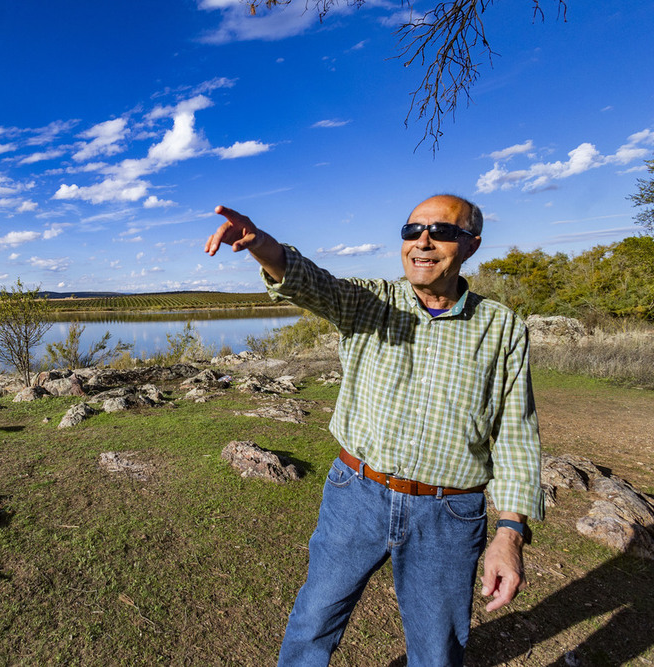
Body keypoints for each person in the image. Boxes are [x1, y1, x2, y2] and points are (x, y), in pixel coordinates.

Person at [205, 195, 544, 666]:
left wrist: (509, 533)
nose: (422, 242)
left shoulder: (502, 327)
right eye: (412, 231)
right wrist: (260, 244)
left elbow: (516, 432)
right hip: (356, 493)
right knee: (313, 620)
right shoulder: (370, 302)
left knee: (436, 648)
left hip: (449, 514)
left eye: (441, 232)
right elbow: (308, 282)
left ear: (471, 245)